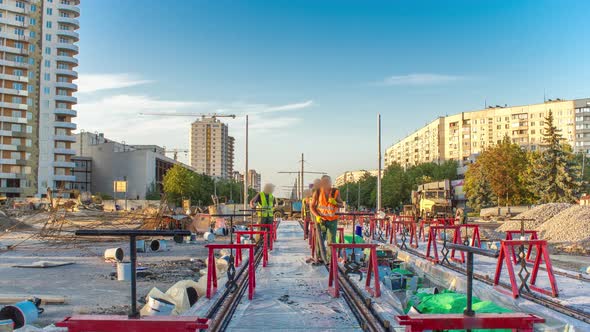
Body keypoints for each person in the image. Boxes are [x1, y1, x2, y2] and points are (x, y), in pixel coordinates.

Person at [310, 175, 343, 264]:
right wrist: (317, 216)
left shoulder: (335, 192)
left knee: (332, 240)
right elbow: (312, 206)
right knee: (320, 239)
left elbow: (341, 204)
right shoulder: (317, 192)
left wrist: (335, 203)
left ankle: (330, 259)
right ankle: (320, 258)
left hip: (333, 220)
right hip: (322, 220)